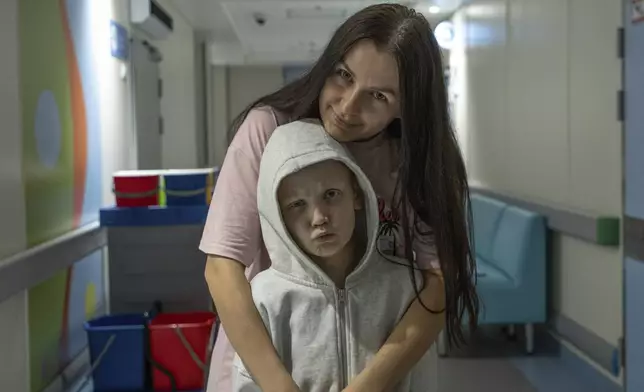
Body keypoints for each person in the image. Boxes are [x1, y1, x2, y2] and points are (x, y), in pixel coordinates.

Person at [200, 3, 479, 392]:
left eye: (378, 96)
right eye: (343, 75)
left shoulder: (414, 160)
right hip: (266, 366)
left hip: (379, 370)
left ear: (406, 107)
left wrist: (367, 386)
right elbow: (222, 267)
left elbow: (439, 280)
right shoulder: (270, 129)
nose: (347, 107)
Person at [231, 120, 438, 392]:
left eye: (331, 194)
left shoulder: (404, 288)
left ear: (356, 195)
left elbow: (424, 381)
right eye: (297, 205)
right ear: (278, 216)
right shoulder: (265, 298)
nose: (319, 218)